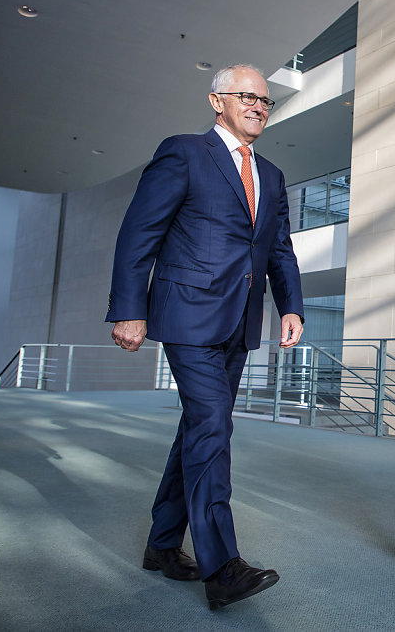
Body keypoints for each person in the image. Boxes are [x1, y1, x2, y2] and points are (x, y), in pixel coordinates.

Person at [106, 64, 304, 609]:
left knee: (199, 427)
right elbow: (138, 232)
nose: (259, 106)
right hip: (188, 314)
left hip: (239, 321)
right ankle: (223, 568)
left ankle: (163, 545)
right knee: (213, 426)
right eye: (248, 96)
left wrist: (292, 306)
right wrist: (129, 308)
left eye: (266, 101)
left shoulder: (272, 173)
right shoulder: (185, 152)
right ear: (217, 101)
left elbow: (279, 248)